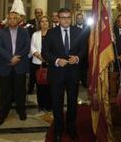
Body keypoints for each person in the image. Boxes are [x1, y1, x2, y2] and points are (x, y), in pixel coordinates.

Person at [42, 8, 86, 142]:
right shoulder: (50, 33)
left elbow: (84, 50)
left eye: (68, 17)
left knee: (73, 102)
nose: (66, 20)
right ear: (58, 19)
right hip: (57, 74)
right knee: (57, 103)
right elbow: (45, 52)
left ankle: (71, 128)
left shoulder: (79, 32)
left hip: (73, 73)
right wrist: (56, 60)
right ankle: (58, 130)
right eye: (63, 17)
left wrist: (77, 58)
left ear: (71, 18)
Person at [0, 12, 31, 125]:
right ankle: (3, 112)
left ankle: (21, 111)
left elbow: (27, 46)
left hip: (20, 64)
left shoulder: (24, 32)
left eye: (14, 18)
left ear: (18, 20)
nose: (12, 20)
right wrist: (11, 58)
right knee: (5, 91)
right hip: (6, 64)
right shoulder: (1, 32)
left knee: (20, 90)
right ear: (7, 20)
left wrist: (16, 58)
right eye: (9, 18)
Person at [30, 16, 52, 112]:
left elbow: (56, 48)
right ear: (39, 24)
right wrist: (39, 56)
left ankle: (49, 105)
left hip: (51, 63)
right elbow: (32, 47)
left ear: (49, 23)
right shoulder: (35, 34)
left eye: (46, 21)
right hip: (37, 62)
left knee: (50, 85)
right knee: (40, 85)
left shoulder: (54, 34)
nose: (44, 23)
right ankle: (41, 105)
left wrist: (47, 58)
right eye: (42, 21)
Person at [27, 8, 44, 94]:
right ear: (35, 13)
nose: (39, 14)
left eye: (40, 13)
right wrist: (35, 53)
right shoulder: (29, 22)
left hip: (43, 55)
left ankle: (41, 89)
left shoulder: (48, 29)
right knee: (32, 73)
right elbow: (27, 35)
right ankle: (30, 88)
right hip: (32, 51)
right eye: (37, 13)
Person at [74, 13, 90, 87]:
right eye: (78, 18)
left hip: (85, 51)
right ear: (76, 19)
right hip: (75, 52)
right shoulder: (72, 28)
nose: (79, 19)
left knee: (84, 68)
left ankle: (84, 82)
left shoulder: (88, 28)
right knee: (76, 68)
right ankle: (76, 82)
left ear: (83, 19)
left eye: (81, 18)